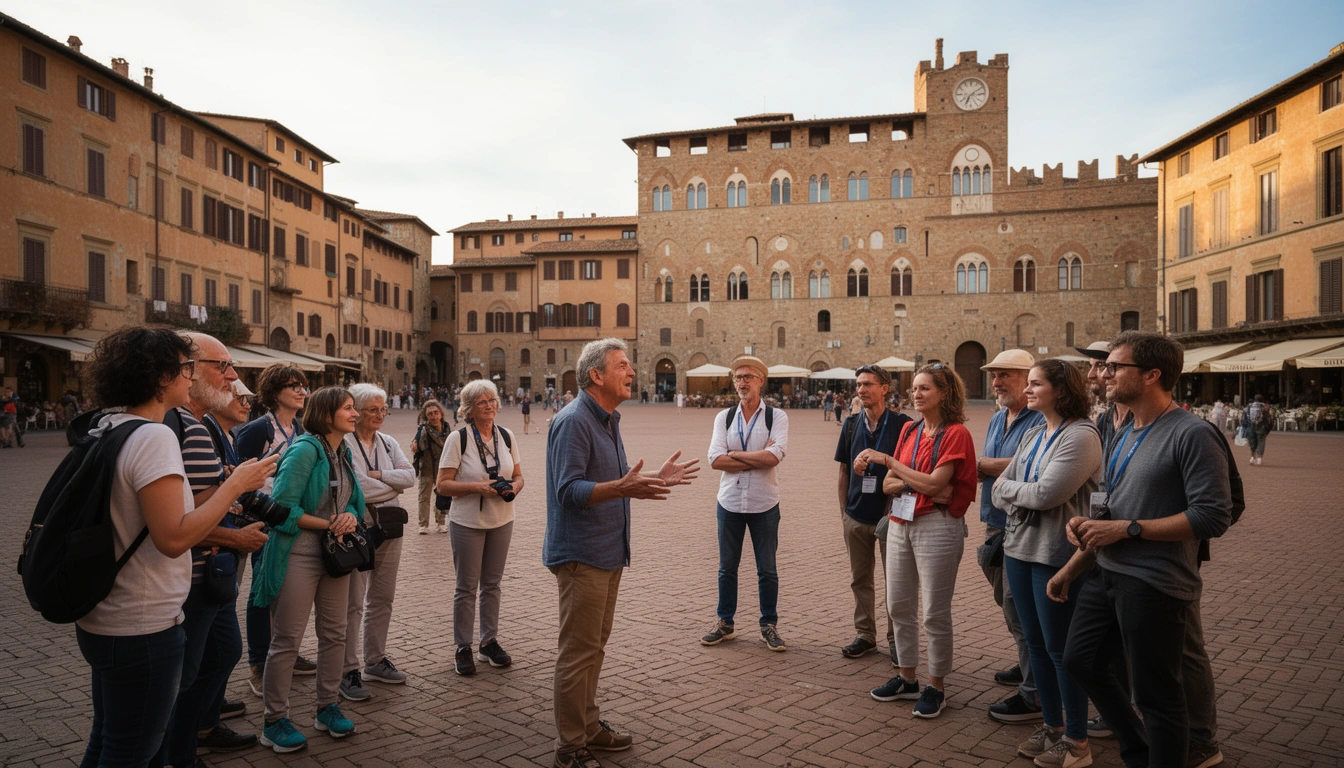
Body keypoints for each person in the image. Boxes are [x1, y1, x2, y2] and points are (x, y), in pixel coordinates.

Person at [74, 326, 275, 767]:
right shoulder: (154, 436)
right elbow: (174, 537)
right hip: (142, 622)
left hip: (106, 616)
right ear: (162, 375)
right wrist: (236, 484)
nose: (192, 378)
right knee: (131, 751)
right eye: (188, 368)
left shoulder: (113, 425)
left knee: (108, 740)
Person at [1058, 332, 1234, 768]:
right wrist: (1088, 535)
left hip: (1155, 580)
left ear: (1152, 375)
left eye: (1116, 366)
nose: (1105, 373)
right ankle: (1140, 751)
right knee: (1080, 661)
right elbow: (1115, 504)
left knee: (1158, 695)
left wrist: (1128, 529)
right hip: (1107, 571)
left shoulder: (1193, 434)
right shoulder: (1122, 431)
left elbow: (1214, 516)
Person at [544, 338, 699, 768]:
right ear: (596, 375)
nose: (632, 373)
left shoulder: (607, 420)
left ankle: (589, 727)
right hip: (582, 554)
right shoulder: (574, 421)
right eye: (623, 366)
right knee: (577, 651)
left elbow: (613, 480)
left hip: (608, 552)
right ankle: (570, 745)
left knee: (594, 647)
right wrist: (624, 488)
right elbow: (568, 490)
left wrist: (650, 479)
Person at [162, 333, 270, 767]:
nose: (233, 378)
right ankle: (180, 752)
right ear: (185, 369)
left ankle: (193, 737)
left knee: (219, 654)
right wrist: (237, 499)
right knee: (179, 680)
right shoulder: (171, 429)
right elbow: (178, 522)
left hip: (210, 571)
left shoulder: (192, 426)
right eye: (221, 366)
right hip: (187, 577)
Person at [990, 360, 1102, 767]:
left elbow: (1046, 494)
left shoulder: (1081, 436)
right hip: (1019, 549)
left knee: (1060, 649)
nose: (1028, 390)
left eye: (1036, 383)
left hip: (1055, 554)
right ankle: (1053, 726)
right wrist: (1017, 489)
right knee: (1034, 645)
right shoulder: (1036, 433)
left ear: (1060, 389)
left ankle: (1077, 740)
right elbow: (999, 493)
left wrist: (1012, 488)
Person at [253, 386, 365, 753]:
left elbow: (352, 501)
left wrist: (349, 517)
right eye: (348, 408)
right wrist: (330, 523)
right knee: (287, 640)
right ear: (327, 412)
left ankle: (327, 706)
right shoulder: (304, 449)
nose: (355, 414)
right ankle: (274, 720)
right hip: (299, 554)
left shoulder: (342, 450)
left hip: (334, 555)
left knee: (335, 633)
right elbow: (281, 507)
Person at [869, 363, 978, 719]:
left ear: (944, 393)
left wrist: (893, 465)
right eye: (914, 388)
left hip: (937, 525)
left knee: (934, 611)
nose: (916, 394)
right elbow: (892, 485)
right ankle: (907, 677)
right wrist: (917, 480)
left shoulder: (956, 433)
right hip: (901, 522)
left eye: (925, 388)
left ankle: (937, 685)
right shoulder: (911, 430)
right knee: (898, 605)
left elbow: (935, 484)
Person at [975, 349, 1047, 724]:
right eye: (993, 375)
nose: (996, 382)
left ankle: (1034, 692)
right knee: (1007, 604)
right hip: (994, 521)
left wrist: (982, 467)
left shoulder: (1040, 420)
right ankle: (1027, 665)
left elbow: (1030, 464)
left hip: (1021, 524)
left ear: (1026, 379)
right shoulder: (999, 417)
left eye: (1005, 375)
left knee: (1019, 608)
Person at [235, 364, 316, 694]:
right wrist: (263, 511)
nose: (300, 391)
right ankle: (258, 663)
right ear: (273, 391)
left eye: (302, 386)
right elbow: (238, 482)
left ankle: (285, 652)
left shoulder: (299, 427)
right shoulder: (256, 430)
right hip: (263, 520)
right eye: (292, 386)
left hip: (291, 520)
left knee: (286, 590)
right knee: (262, 590)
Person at [701, 356, 790, 651]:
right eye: (738, 377)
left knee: (767, 569)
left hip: (765, 503)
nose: (742, 382)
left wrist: (734, 454)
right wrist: (754, 457)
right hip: (729, 503)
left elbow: (774, 456)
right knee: (727, 567)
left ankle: (769, 625)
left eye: (749, 376)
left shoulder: (776, 417)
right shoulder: (723, 418)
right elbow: (715, 459)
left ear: (761, 380)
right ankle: (725, 623)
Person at [437, 380, 524, 675]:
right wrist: (478, 487)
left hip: (502, 519)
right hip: (467, 522)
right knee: (466, 587)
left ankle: (489, 641)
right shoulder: (458, 439)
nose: (490, 406)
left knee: (492, 584)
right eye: (482, 402)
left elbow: (519, 475)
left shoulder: (507, 436)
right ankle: (463, 646)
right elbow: (442, 485)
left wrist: (515, 486)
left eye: (493, 400)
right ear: (469, 409)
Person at [339, 384, 415, 702]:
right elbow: (357, 489)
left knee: (382, 597)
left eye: (383, 409)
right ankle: (347, 669)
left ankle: (374, 659)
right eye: (373, 409)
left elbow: (409, 476)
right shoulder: (343, 445)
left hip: (388, 528)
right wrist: (389, 482)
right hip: (357, 530)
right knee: (352, 603)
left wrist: (378, 475)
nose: (380, 414)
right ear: (355, 411)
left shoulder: (388, 441)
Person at [835, 365, 912, 663]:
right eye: (858, 384)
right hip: (855, 516)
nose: (861, 389)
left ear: (884, 388)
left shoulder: (903, 425)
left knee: (896, 581)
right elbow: (843, 471)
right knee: (860, 579)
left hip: (890, 516)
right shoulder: (851, 425)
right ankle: (866, 635)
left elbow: (910, 470)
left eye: (868, 384)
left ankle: (897, 639)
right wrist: (844, 512)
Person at [411, 399, 451, 534]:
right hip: (427, 466)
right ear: (425, 416)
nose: (433, 416)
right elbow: (416, 440)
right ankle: (423, 524)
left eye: (435, 413)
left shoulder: (447, 429)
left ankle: (441, 522)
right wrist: (414, 442)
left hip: (442, 466)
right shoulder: (422, 430)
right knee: (424, 496)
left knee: (442, 494)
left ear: (441, 413)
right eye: (430, 414)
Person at [1243, 394, 1272, 465]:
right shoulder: (1265, 407)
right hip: (1262, 427)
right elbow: (1270, 418)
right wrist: (1268, 428)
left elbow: (1244, 417)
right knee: (1261, 441)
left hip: (1251, 426)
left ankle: (1253, 457)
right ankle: (1259, 458)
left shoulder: (1249, 406)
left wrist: (1245, 426)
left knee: (1252, 442)